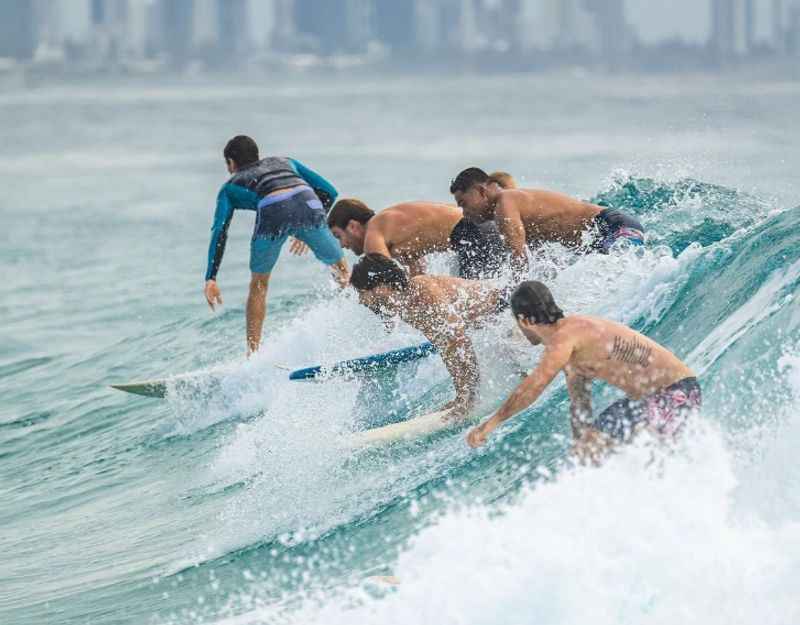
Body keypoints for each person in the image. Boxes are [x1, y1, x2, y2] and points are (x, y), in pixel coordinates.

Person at [466, 281, 701, 462]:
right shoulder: (573, 343)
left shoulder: (564, 339)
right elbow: (580, 403)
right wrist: (579, 446)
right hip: (678, 396)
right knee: (640, 461)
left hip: (672, 395)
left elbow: (535, 385)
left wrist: (491, 423)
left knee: (597, 449)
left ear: (524, 320)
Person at [204, 135, 349, 355]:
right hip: (306, 202)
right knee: (342, 271)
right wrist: (309, 228)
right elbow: (329, 192)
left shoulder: (229, 188)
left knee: (259, 286)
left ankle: (253, 355)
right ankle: (357, 318)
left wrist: (211, 277)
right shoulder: (286, 161)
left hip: (272, 212)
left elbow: (220, 230)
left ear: (232, 163)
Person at [350, 253, 509, 416]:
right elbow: (446, 348)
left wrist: (470, 398)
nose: (361, 300)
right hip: (496, 322)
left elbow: (459, 339)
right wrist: (461, 394)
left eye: (362, 292)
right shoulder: (406, 310)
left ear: (381, 285)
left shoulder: (422, 288)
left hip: (507, 307)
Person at [450, 167, 645, 276]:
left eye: (464, 204)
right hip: (602, 236)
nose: (464, 213)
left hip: (612, 226)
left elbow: (519, 260)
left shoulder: (505, 204)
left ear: (481, 192)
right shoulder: (513, 209)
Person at [327, 198, 462, 276]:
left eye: (338, 236)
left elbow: (383, 284)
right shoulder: (395, 239)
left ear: (352, 226)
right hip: (469, 234)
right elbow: (418, 281)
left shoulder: (374, 231)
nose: (341, 245)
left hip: (470, 230)